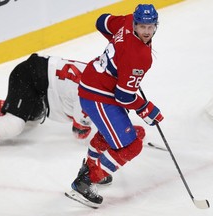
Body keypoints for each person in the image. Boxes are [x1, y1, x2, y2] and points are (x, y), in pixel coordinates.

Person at [65, 4, 164, 208]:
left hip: (97, 85)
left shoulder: (126, 20)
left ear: (156, 26)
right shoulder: (140, 57)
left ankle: (92, 167)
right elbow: (125, 96)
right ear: (135, 24)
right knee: (132, 144)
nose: (146, 31)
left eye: (150, 27)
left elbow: (101, 21)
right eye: (142, 26)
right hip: (98, 94)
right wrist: (146, 108)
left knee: (111, 135)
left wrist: (118, 47)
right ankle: (86, 181)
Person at [0, 54, 146, 141]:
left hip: (40, 80)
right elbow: (79, 131)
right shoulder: (92, 95)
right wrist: (122, 131)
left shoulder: (103, 77)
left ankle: (3, 106)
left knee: (35, 116)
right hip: (30, 76)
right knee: (13, 127)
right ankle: (10, 111)